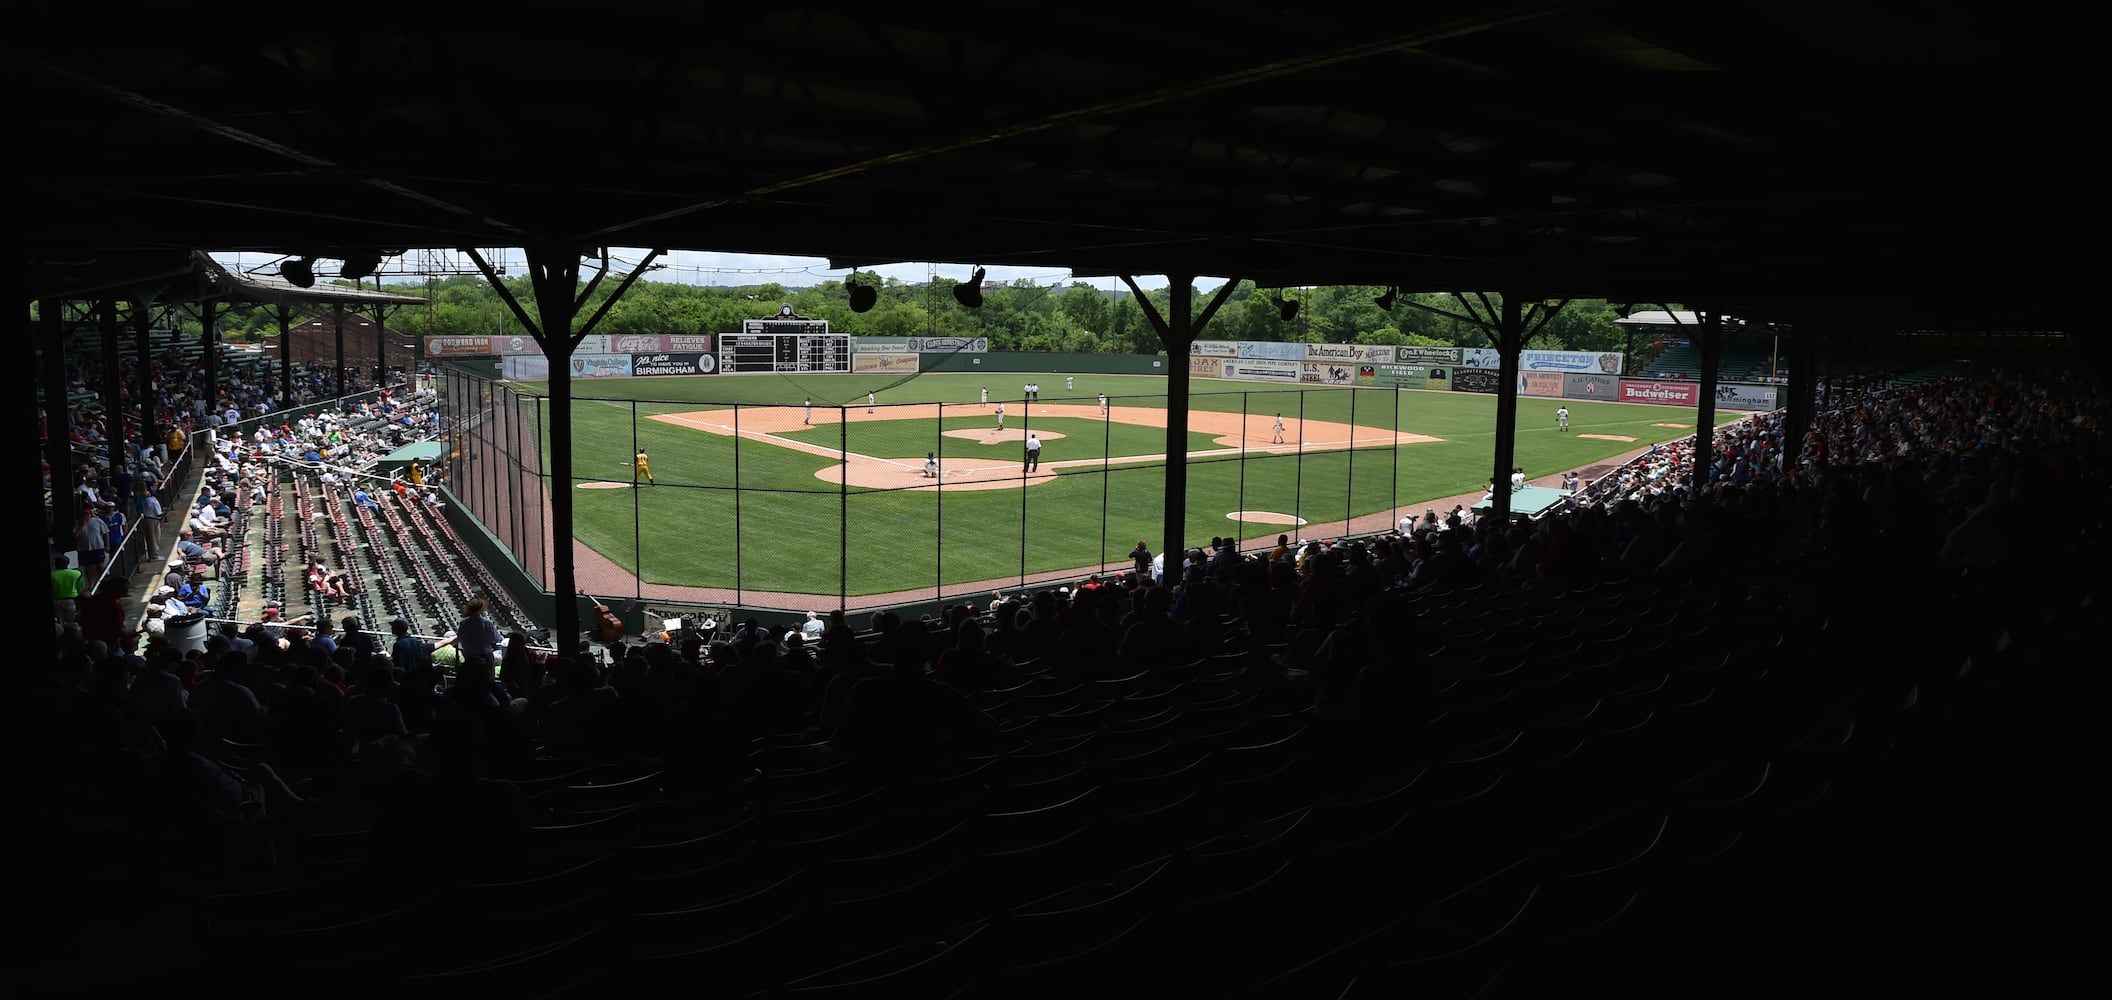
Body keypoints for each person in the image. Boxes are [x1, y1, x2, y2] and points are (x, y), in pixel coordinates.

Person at [52, 555, 83, 625]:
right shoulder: (77, 573)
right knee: (71, 623)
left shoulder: (52, 575)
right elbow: (80, 588)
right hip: (71, 601)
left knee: (59, 623)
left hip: (56, 601)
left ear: (56, 564)